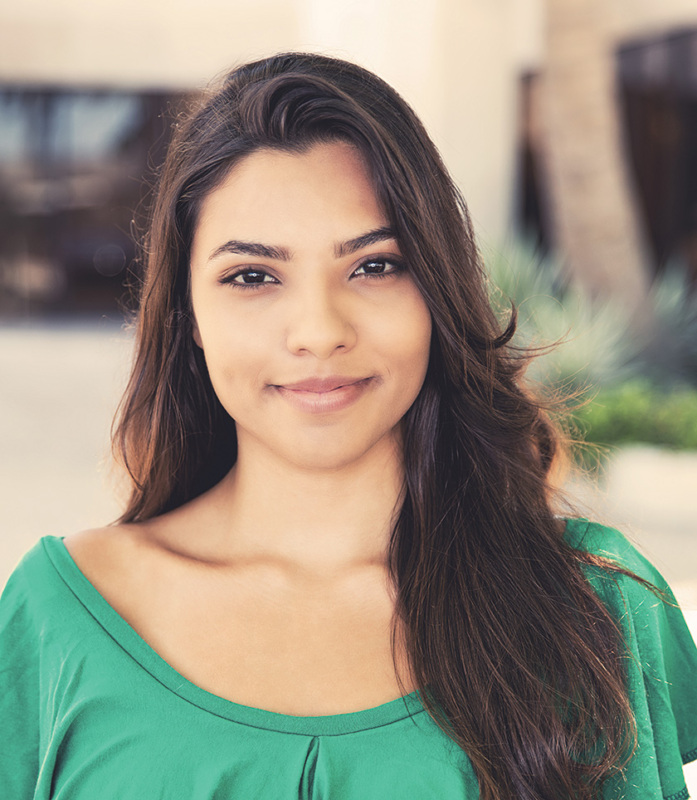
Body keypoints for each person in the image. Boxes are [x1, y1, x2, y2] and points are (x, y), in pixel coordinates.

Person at [1, 52, 696, 800]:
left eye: (374, 266)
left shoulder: (594, 605)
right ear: (187, 317)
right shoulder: (59, 615)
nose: (318, 331)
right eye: (252, 276)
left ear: (436, 288)